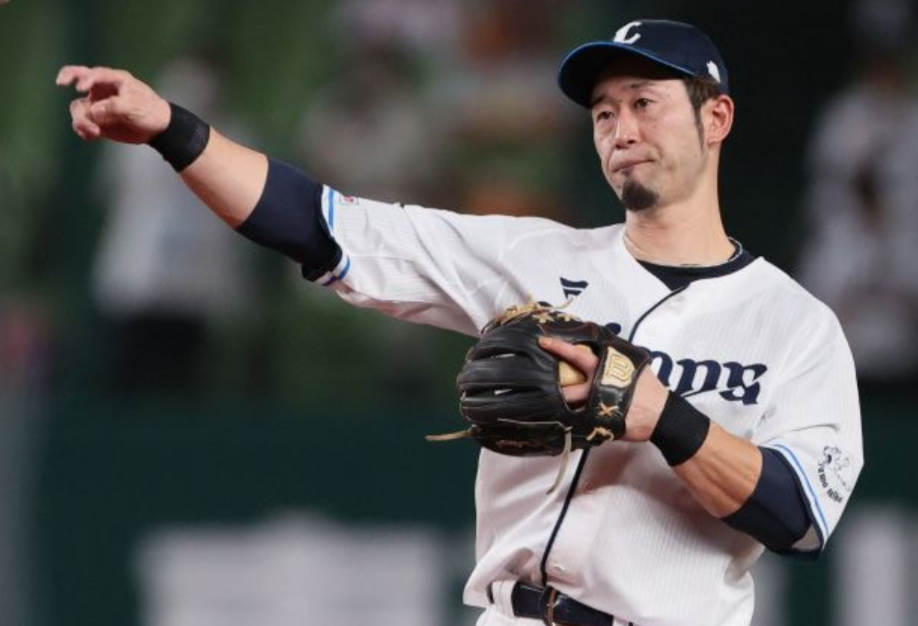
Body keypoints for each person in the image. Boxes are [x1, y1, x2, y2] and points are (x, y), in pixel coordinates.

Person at [57, 19, 863, 626]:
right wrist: (172, 130)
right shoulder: (531, 257)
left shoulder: (794, 324)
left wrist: (666, 419)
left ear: (716, 118)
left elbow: (800, 516)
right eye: (603, 113)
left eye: (645, 104)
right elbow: (318, 223)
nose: (622, 130)